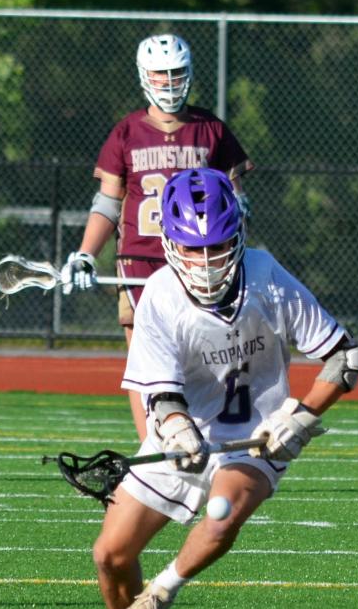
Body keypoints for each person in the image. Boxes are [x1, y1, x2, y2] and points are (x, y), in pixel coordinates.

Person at [57, 167, 358, 609]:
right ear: (171, 244)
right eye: (193, 248)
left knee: (222, 513)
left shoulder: (266, 277)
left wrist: (301, 418)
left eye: (217, 246)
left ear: (238, 236)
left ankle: (157, 597)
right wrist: (177, 428)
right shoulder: (158, 293)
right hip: (185, 433)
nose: (204, 261)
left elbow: (344, 358)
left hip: (255, 436)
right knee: (110, 554)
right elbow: (160, 390)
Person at [61, 34, 253, 440]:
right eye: (160, 75)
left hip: (200, 262)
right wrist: (84, 254)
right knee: (144, 362)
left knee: (202, 356)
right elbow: (108, 204)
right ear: (144, 76)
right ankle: (151, 448)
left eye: (176, 73)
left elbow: (237, 203)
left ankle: (202, 435)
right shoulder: (127, 132)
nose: (169, 82)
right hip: (140, 260)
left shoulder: (212, 130)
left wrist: (236, 242)